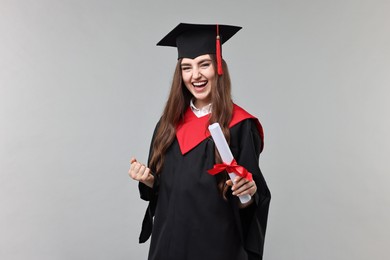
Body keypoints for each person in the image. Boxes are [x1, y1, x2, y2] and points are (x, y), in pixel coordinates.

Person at [128, 23, 271, 260]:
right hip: (169, 244)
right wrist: (150, 179)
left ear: (218, 68)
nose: (195, 75)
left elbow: (249, 203)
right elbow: (162, 193)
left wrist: (249, 191)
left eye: (204, 64)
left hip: (217, 246)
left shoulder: (241, 125)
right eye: (187, 67)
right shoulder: (168, 125)